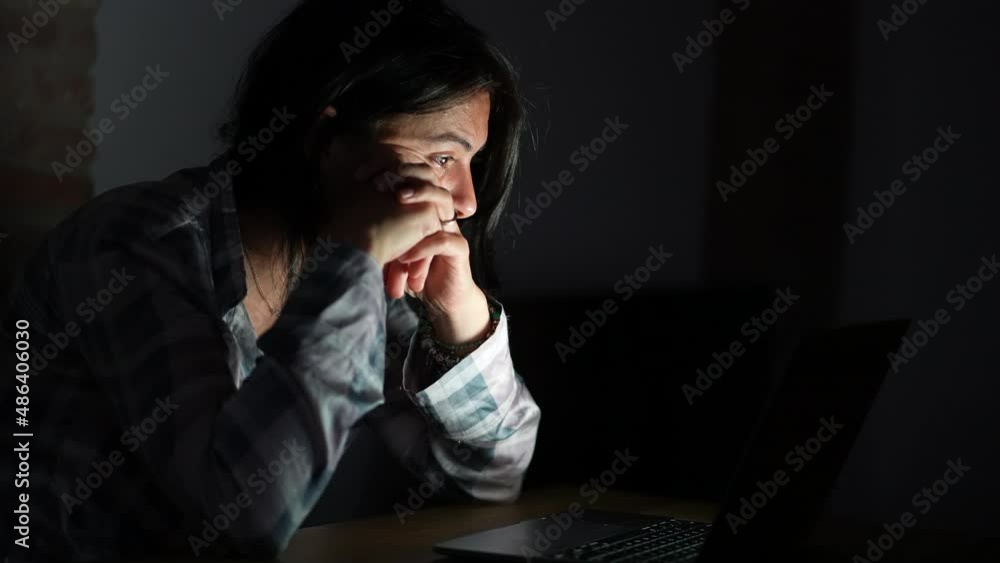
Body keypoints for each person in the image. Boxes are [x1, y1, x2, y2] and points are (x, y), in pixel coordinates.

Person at [1, 0, 540, 559]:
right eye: (444, 157)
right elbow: (241, 519)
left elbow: (492, 487)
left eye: (472, 163)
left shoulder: (373, 271)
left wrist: (462, 326)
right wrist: (355, 263)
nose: (467, 201)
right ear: (326, 141)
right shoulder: (138, 244)